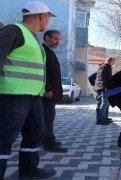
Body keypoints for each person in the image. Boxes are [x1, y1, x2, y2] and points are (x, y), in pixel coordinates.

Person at [0, 1, 57, 179]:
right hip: (12, 96)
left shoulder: (32, 37)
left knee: (36, 133)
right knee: (4, 139)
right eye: (48, 18)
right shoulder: (13, 31)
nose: (48, 22)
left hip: (32, 97)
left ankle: (29, 170)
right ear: (42, 16)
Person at [41, 30, 68, 153]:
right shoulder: (43, 50)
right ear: (47, 38)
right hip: (47, 92)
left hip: (52, 92)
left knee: (49, 117)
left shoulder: (50, 51)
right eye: (56, 39)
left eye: (59, 39)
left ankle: (48, 138)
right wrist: (47, 88)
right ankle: (48, 142)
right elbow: (42, 70)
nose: (58, 42)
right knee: (47, 117)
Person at [94, 57, 116, 125]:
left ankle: (104, 118)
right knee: (104, 103)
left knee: (106, 103)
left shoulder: (108, 67)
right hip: (102, 88)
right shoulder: (104, 67)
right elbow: (101, 77)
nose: (114, 63)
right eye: (112, 61)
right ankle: (100, 120)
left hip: (105, 87)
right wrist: (105, 86)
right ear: (108, 61)